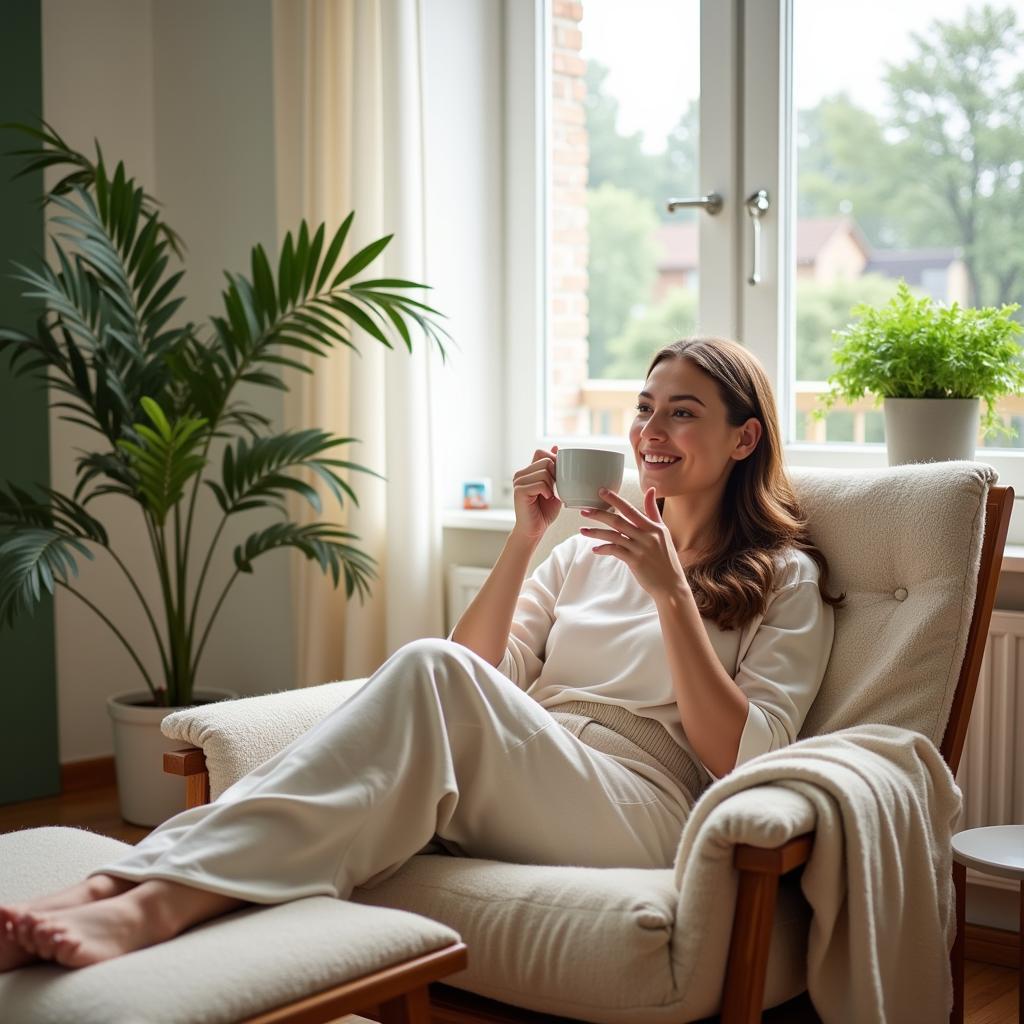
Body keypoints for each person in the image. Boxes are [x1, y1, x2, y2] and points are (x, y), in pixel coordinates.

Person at [0, 336, 843, 972]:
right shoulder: (586, 552)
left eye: (682, 411)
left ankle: (143, 903)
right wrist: (525, 540)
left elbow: (739, 758)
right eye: (646, 407)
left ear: (743, 440)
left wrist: (669, 594)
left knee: (428, 667)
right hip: (538, 767)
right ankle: (120, 889)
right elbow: (476, 670)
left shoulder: (786, 578)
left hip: (648, 806)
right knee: (427, 674)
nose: (651, 429)